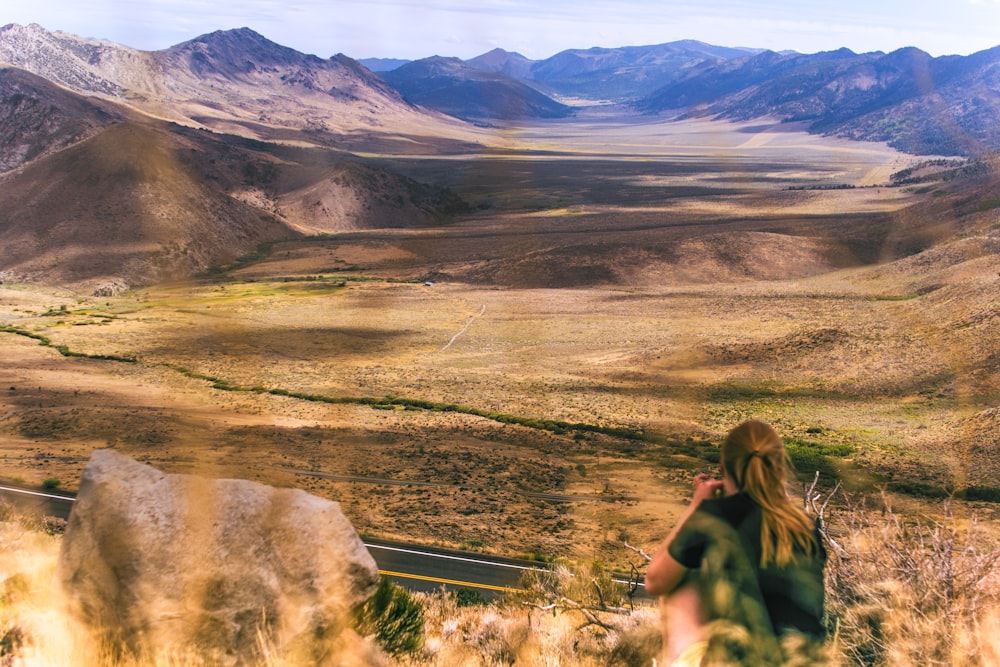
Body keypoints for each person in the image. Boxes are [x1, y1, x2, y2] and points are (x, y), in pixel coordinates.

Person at [645, 419, 827, 666]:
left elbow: (655, 580)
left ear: (723, 468)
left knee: (681, 579)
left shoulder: (716, 516)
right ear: (778, 468)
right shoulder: (805, 525)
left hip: (739, 660)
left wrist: (698, 505)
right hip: (806, 659)